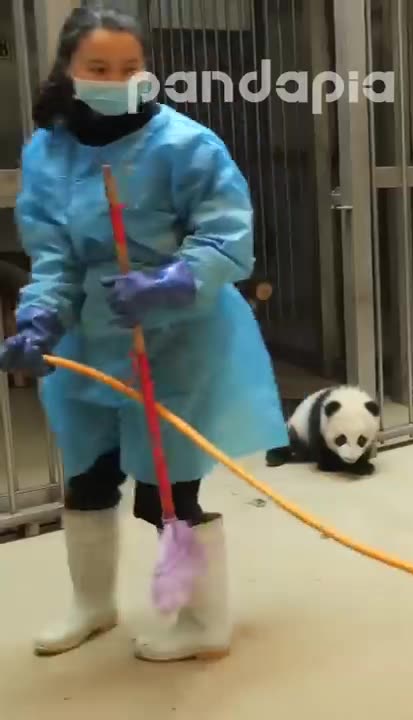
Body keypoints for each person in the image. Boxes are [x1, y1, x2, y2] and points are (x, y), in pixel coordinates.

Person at [0, 7, 288, 662]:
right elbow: (53, 256)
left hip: (178, 336)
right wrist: (41, 316)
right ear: (68, 72)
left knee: (167, 490)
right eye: (99, 68)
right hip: (89, 339)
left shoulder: (187, 145)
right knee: (88, 478)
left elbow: (227, 237)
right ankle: (92, 604)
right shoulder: (49, 149)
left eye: (130, 68)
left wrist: (175, 281)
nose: (116, 80)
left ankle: (202, 621)